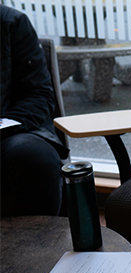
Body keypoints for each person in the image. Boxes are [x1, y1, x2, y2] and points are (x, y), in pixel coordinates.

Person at [1, 5, 69, 217]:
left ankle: (38, 246)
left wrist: (6, 125)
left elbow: (39, 97)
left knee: (34, 156)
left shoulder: (11, 23)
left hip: (9, 131)